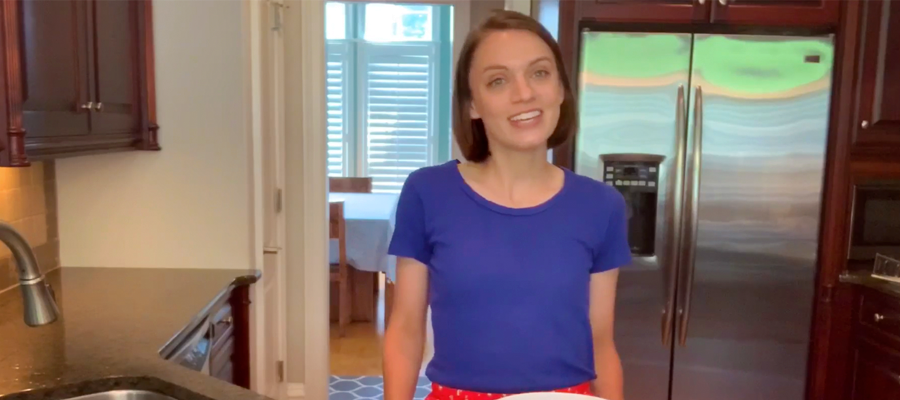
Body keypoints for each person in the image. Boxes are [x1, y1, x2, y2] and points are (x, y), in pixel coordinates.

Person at [383, 9, 631, 400]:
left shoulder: (602, 206)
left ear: (561, 89)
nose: (524, 93)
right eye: (498, 81)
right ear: (472, 105)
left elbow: (601, 340)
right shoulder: (427, 192)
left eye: (539, 73)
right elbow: (406, 328)